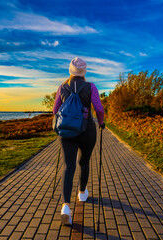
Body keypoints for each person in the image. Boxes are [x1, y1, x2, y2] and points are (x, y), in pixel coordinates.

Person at [53, 57, 105, 225]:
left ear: (70, 70)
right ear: (84, 72)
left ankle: (66, 207)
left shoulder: (62, 87)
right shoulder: (91, 87)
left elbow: (55, 110)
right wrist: (102, 122)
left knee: (69, 166)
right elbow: (98, 109)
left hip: (67, 131)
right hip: (87, 130)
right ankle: (82, 193)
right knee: (84, 162)